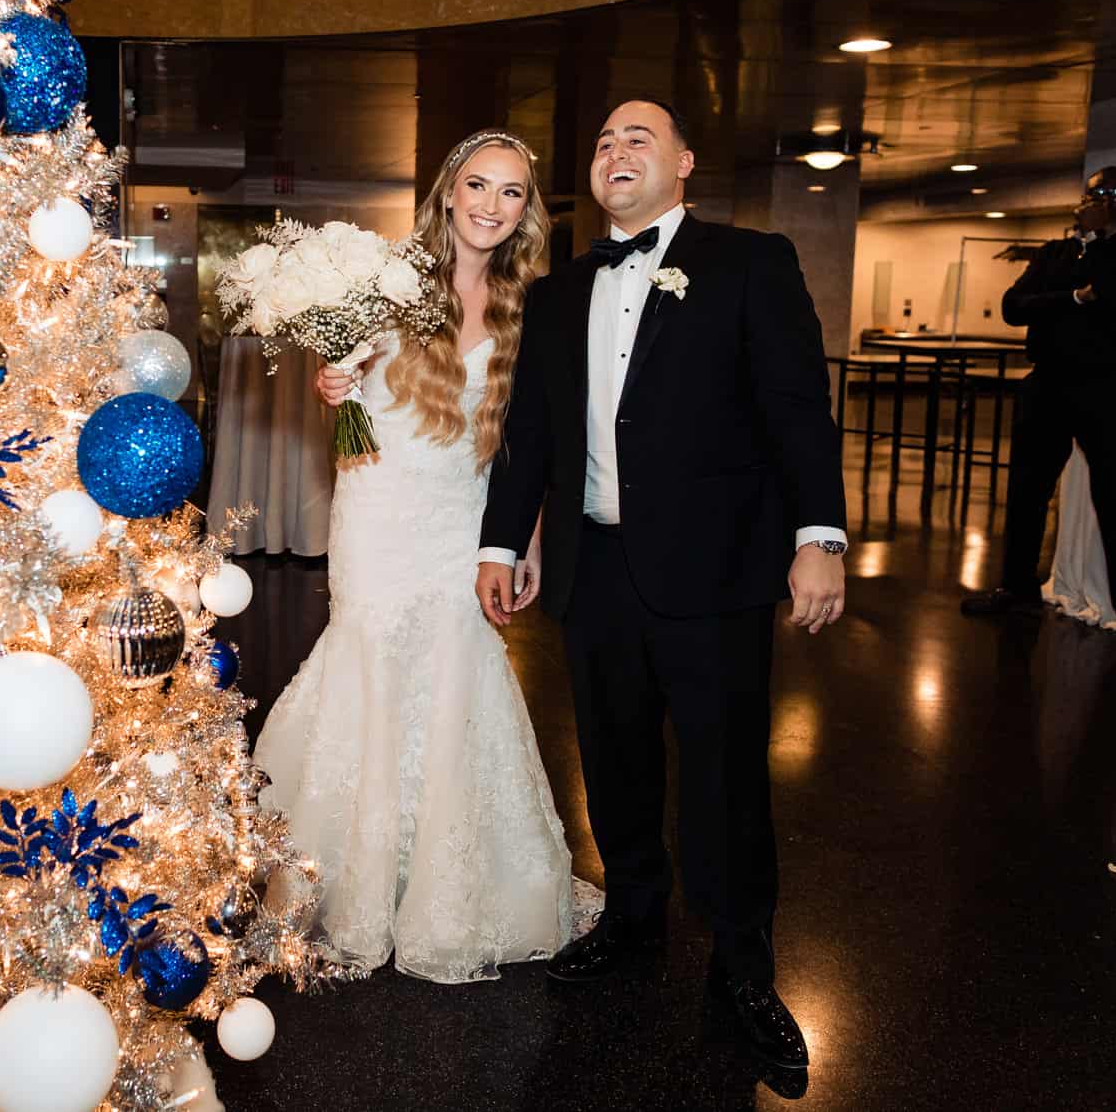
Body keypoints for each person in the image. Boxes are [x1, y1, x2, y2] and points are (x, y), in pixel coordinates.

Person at [476, 98, 846, 1074]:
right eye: (599, 140)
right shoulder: (559, 292)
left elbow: (797, 409)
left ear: (683, 161)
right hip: (595, 570)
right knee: (611, 755)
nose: (613, 150)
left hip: (717, 566)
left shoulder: (749, 262)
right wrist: (501, 541)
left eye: (636, 136)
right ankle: (632, 917)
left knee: (723, 772)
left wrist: (818, 535)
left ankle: (740, 959)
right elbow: (530, 434)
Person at [253, 129, 580, 984]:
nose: (491, 205)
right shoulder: (389, 285)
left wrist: (524, 538)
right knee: (368, 658)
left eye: (511, 193)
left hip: (466, 524)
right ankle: (352, 880)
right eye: (478, 185)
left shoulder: (527, 305)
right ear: (447, 191)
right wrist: (337, 385)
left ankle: (449, 884)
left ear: (525, 211)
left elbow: (524, 444)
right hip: (381, 510)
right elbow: (345, 389)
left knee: (455, 672)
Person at [961, 167, 1116, 662]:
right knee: (1027, 490)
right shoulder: (1056, 253)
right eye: (1092, 193)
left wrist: (1095, 254)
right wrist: (1077, 296)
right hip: (1049, 383)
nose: (1097, 201)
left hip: (1110, 387)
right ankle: (1017, 590)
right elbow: (1015, 307)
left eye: (1110, 195)